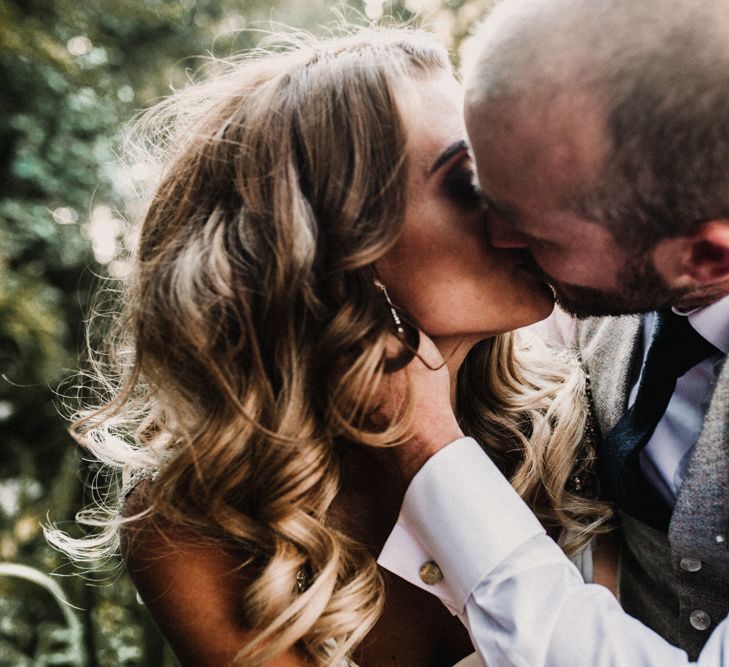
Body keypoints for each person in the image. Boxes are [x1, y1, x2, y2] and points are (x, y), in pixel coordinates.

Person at [45, 27, 613, 666]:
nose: (521, 211)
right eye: (471, 183)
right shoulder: (195, 531)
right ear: (327, 250)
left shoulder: (578, 422)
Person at [378, 0, 729, 665]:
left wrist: (429, 448)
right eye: (479, 189)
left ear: (708, 259)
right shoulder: (560, 347)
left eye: (535, 231)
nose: (498, 237)